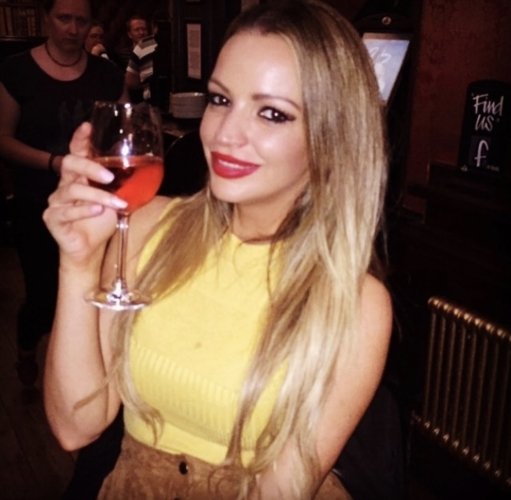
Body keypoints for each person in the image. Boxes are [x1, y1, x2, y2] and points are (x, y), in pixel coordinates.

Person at [43, 1, 392, 498]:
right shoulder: (148, 226)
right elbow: (75, 426)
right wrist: (78, 263)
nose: (225, 135)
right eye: (221, 100)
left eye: (272, 113)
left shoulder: (355, 302)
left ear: (332, 137)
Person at [0, 0, 125, 386]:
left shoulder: (107, 74)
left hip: (94, 202)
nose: (73, 28)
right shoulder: (16, 71)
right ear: (46, 19)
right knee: (42, 295)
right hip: (36, 200)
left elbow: (123, 133)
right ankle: (26, 352)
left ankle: (81, 372)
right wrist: (56, 163)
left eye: (81, 21)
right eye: (64, 18)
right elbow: (2, 139)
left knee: (94, 289)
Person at [125, 10, 169, 106]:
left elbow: (130, 81)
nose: (141, 32)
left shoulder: (145, 45)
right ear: (129, 34)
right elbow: (129, 83)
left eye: (144, 29)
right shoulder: (123, 54)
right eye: (137, 30)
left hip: (151, 100)